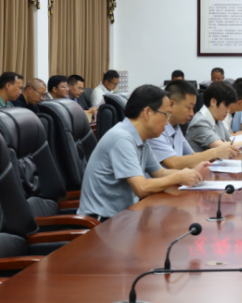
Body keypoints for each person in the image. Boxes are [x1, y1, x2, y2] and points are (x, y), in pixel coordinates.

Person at [77, 85, 204, 221]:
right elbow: (141, 188)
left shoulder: (141, 138)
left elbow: (160, 173)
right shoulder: (122, 138)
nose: (166, 122)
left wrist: (190, 173)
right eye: (165, 115)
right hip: (101, 221)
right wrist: (178, 177)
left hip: (124, 216)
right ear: (147, 112)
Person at [150, 81, 238, 168]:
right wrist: (215, 152)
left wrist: (216, 156)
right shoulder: (156, 130)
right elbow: (174, 163)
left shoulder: (176, 127)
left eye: (193, 108)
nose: (192, 114)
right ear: (172, 104)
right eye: (189, 108)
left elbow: (192, 155)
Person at [185, 82, 242, 152]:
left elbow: (230, 140)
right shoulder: (200, 122)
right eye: (226, 105)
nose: (228, 110)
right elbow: (221, 146)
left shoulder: (217, 118)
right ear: (213, 102)